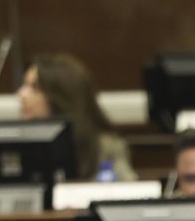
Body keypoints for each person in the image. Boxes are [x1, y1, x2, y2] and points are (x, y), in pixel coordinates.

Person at [17, 53, 137, 182]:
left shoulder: (105, 146)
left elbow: (128, 190)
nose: (22, 94)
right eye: (25, 85)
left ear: (60, 96)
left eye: (35, 88)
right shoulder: (18, 144)